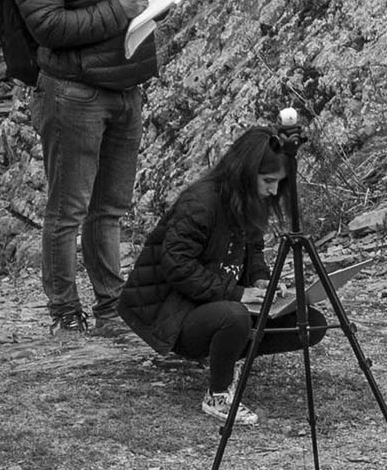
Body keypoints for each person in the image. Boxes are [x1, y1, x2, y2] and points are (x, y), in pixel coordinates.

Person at [8, 0, 175, 331]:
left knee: (111, 206)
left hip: (127, 83)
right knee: (68, 209)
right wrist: (119, 13)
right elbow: (47, 26)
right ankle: (65, 310)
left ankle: (109, 303)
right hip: (74, 91)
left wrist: (154, 2)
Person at [125, 124, 324, 425]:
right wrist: (237, 293)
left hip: (217, 301)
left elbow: (253, 251)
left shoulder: (249, 201)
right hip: (175, 313)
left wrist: (260, 280)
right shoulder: (200, 203)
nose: (273, 191)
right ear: (246, 173)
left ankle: (228, 359)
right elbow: (176, 265)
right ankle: (217, 394)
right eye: (268, 181)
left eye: (278, 183)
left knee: (311, 323)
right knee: (234, 317)